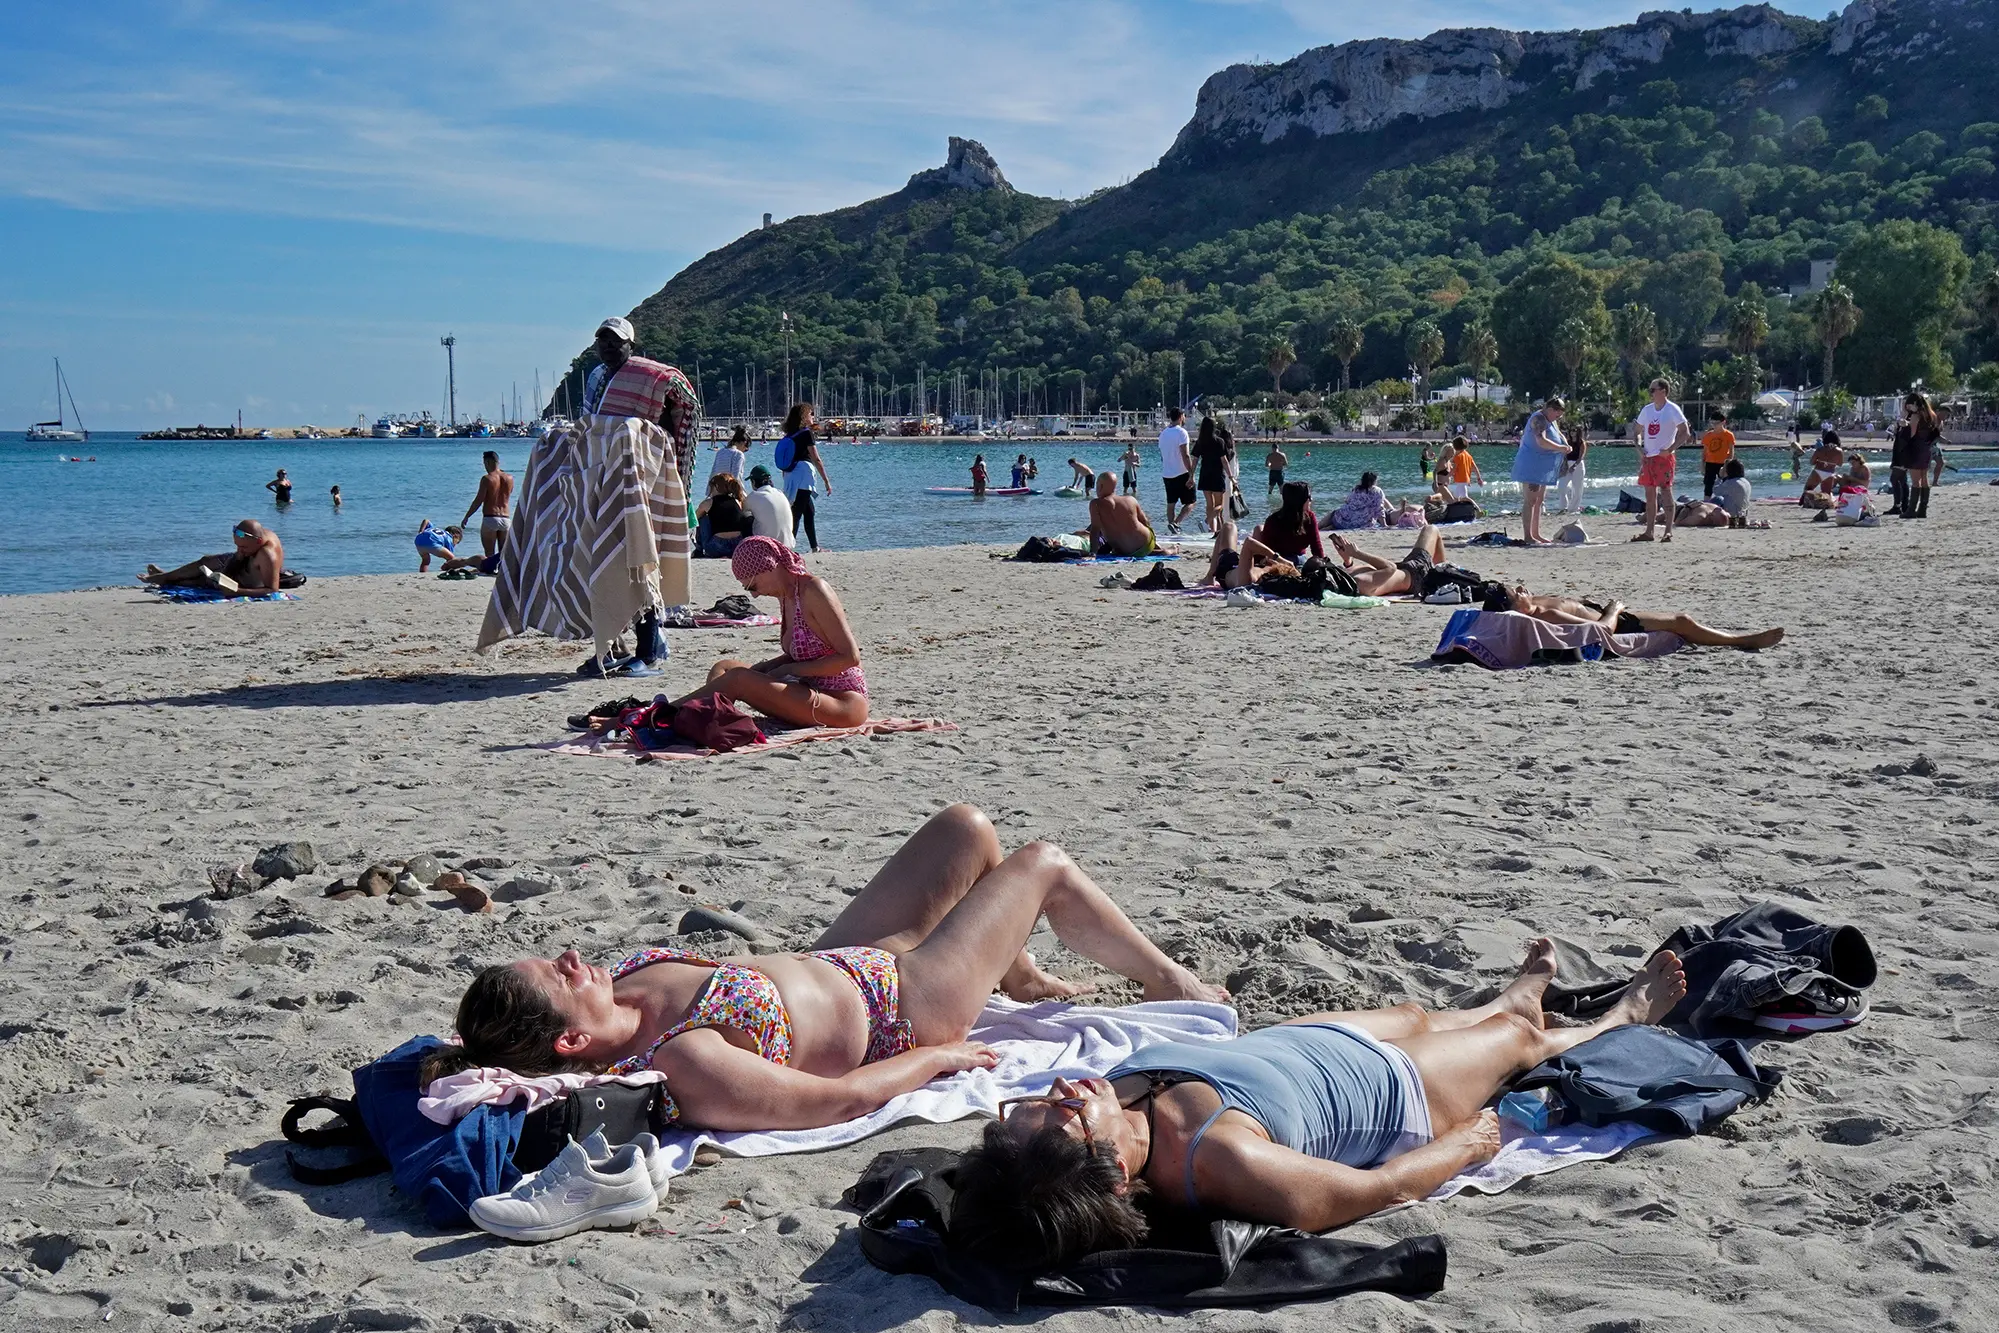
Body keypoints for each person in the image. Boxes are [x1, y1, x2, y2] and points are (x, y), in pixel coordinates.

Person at [424, 804, 1227, 1140]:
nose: (572, 957)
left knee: (965, 829)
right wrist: (937, 1058)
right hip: (905, 1008)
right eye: (561, 974)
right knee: (1041, 863)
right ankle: (1169, 982)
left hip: (846, 956)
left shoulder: (630, 974)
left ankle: (1019, 979)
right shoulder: (684, 1061)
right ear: (570, 1041)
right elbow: (836, 1101)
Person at [948, 943, 1689, 1269]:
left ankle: (1509, 995)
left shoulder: (1103, 1111)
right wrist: (1467, 1145)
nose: (1063, 1090)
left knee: (1417, 1010)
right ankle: (1617, 1019)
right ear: (1111, 1174)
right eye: (1068, 1114)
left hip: (1300, 1050)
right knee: (1515, 1041)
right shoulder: (1220, 1159)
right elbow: (1370, 1191)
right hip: (1395, 1091)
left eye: (1037, 1103)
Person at [673, 536, 868, 728]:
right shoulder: (787, 596)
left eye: (752, 586)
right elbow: (799, 656)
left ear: (769, 567)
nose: (755, 595)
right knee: (724, 668)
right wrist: (768, 668)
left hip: (842, 701)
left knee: (739, 679)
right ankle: (703, 715)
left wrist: (788, 670)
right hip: (808, 687)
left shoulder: (814, 590)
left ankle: (667, 712)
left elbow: (850, 657)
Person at [582, 316, 701, 497]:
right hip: (601, 468)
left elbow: (671, 424)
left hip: (642, 469)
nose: (609, 345)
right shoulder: (596, 377)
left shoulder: (650, 377)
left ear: (631, 347)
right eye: (603, 340)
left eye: (616, 341)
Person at [1487, 584, 1784, 649]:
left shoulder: (1536, 605)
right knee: (1682, 621)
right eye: (1517, 593)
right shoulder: (1547, 615)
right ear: (1516, 609)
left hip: (1603, 610)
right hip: (1615, 621)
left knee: (1681, 624)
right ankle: (1740, 641)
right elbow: (1601, 631)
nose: (1521, 589)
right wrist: (1613, 609)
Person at [141, 519, 285, 596]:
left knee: (204, 580)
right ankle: (167, 576)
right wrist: (240, 554)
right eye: (237, 546)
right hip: (247, 561)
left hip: (253, 575)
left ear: (258, 542)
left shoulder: (267, 554)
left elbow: (272, 590)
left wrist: (238, 592)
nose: (239, 550)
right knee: (206, 561)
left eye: (243, 547)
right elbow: (241, 551)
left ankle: (166, 580)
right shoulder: (255, 539)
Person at [1632, 378, 1690, 542]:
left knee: (1666, 491)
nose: (1650, 393)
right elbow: (1636, 430)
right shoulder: (1647, 410)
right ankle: (1649, 531)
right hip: (1648, 457)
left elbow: (1685, 432)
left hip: (1664, 457)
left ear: (1663, 391)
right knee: (1649, 495)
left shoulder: (1672, 409)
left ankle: (1668, 531)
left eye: (1653, 390)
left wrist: (1670, 449)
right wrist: (1639, 446)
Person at [1510, 396, 1570, 545]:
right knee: (1530, 500)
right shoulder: (1539, 419)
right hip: (1532, 464)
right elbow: (1541, 441)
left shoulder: (1551, 420)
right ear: (1550, 409)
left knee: (1539, 500)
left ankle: (1536, 533)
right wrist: (1560, 448)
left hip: (1543, 466)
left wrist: (1566, 444)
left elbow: (1559, 433)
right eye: (1557, 414)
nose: (1559, 417)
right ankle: (1528, 536)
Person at [1326, 526, 1449, 597]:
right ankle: (1445, 576)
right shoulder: (1359, 582)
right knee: (1431, 529)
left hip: (1408, 569)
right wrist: (1357, 553)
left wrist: (1348, 561)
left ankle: (1443, 573)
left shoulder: (1345, 578)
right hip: (1417, 574)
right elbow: (1390, 568)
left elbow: (1368, 571)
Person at [777, 403, 832, 552]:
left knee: (809, 511)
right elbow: (816, 458)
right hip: (803, 473)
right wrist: (826, 481)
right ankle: (787, 549)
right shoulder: (806, 433)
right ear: (803, 416)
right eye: (810, 414)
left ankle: (815, 547)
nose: (812, 417)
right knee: (797, 513)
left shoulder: (789, 435)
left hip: (790, 474)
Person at [1197, 519, 1294, 590]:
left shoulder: (1248, 579)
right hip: (1240, 567)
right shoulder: (1264, 573)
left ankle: (1210, 576)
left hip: (1226, 569)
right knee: (1259, 529)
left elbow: (1249, 543)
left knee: (1229, 526)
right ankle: (1209, 576)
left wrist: (1279, 559)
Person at [1890, 391, 1941, 520]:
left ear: (1913, 404)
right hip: (1926, 449)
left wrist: (1904, 426)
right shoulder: (1932, 415)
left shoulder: (1916, 416)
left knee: (1915, 480)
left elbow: (1912, 435)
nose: (1907, 408)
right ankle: (1922, 509)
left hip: (1915, 449)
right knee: (1925, 478)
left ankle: (1911, 509)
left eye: (1908, 405)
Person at [1084, 472, 1158, 556]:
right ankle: (1159, 549)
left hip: (1124, 551)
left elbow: (1095, 530)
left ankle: (1164, 550)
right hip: (1147, 544)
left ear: (1100, 486)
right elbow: (1145, 522)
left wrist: (1093, 553)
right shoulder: (1131, 499)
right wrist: (1153, 543)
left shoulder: (1096, 504)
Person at [460, 451, 515, 558]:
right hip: (506, 519)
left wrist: (467, 516)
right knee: (503, 554)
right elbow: (508, 495)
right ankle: (501, 573)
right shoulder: (510, 478)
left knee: (489, 554)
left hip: (490, 518)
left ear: (488, 462)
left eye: (484, 463)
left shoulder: (487, 478)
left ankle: (490, 571)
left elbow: (478, 500)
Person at [1253, 481, 1325, 562]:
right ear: (1300, 500)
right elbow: (1316, 547)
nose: (1311, 500)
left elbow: (1267, 550)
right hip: (1290, 560)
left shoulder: (1273, 520)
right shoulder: (1309, 518)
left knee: (1259, 528)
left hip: (1278, 560)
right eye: (1309, 497)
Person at [1193, 413, 1234, 533]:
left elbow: (1194, 460)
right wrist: (1231, 476)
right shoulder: (1219, 441)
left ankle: (1214, 530)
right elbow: (1224, 461)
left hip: (1205, 474)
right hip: (1217, 475)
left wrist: (1191, 475)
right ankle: (1206, 522)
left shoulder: (1200, 442)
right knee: (1219, 505)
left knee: (1209, 505)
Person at [695, 473, 752, 558]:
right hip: (737, 546)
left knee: (703, 518)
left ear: (716, 487)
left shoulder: (708, 503)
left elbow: (694, 518)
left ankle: (698, 550)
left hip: (717, 546)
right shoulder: (737, 501)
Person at [1157, 408, 1196, 533]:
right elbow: (1185, 455)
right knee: (1191, 502)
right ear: (1180, 417)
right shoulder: (1182, 432)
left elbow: (1162, 456)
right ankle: (1176, 523)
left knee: (1171, 503)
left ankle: (1171, 528)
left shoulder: (1163, 434)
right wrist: (1191, 474)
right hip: (1181, 472)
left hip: (1167, 473)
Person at [744, 466, 795, 549]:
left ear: (753, 481)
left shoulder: (754, 496)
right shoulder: (780, 493)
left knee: (745, 517)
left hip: (767, 547)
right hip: (788, 546)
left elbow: (742, 511)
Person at [1802, 430, 1845, 509]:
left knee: (1808, 489)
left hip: (1818, 471)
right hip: (1829, 473)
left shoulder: (1820, 449)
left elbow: (1812, 462)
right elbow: (1840, 464)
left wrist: (1820, 461)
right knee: (1826, 494)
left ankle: (1803, 503)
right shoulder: (1839, 451)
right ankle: (1825, 506)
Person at [1700, 412, 1736, 499]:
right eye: (1712, 423)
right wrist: (1702, 464)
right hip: (1710, 462)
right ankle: (1707, 502)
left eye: (1716, 423)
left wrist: (1728, 464)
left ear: (1723, 422)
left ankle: (1725, 501)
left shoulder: (1729, 435)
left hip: (1723, 463)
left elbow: (1731, 451)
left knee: (1725, 483)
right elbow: (1704, 452)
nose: (1714, 425)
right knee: (1708, 484)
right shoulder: (1708, 435)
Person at [1555, 424, 1588, 514]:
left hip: (1578, 465)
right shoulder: (1567, 442)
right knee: (1561, 486)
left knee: (1577, 488)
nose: (1572, 432)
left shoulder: (1581, 442)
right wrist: (1564, 465)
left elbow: (1581, 456)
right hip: (1567, 464)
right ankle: (1563, 507)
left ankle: (1573, 508)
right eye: (1571, 430)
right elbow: (1564, 455)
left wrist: (1574, 466)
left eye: (1574, 430)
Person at [1712, 459, 1753, 528]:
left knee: (1716, 499)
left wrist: (1720, 477)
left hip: (1733, 513)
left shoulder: (1731, 483)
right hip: (1743, 512)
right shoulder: (1746, 482)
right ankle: (1741, 521)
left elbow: (1716, 491)